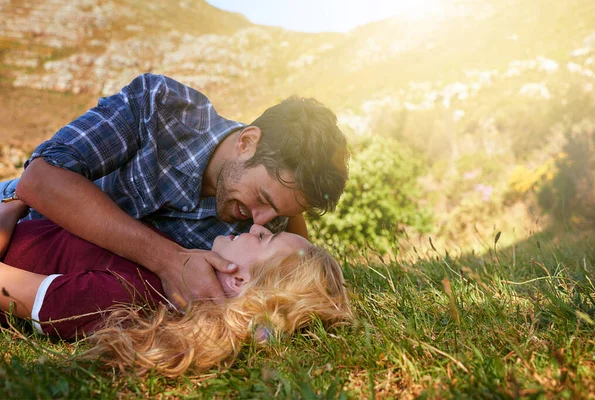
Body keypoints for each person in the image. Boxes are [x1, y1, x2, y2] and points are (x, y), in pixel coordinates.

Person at [0, 73, 349, 308]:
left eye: (282, 215)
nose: (260, 223)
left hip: (59, 278)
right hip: (14, 214)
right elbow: (40, 180)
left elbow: (305, 270)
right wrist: (168, 260)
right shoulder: (160, 107)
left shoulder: (266, 226)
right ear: (247, 142)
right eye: (263, 199)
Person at [0, 201, 352, 376]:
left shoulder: (129, 298)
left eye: (266, 238)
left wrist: (11, 207)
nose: (258, 227)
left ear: (240, 281)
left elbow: (8, 288)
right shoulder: (177, 264)